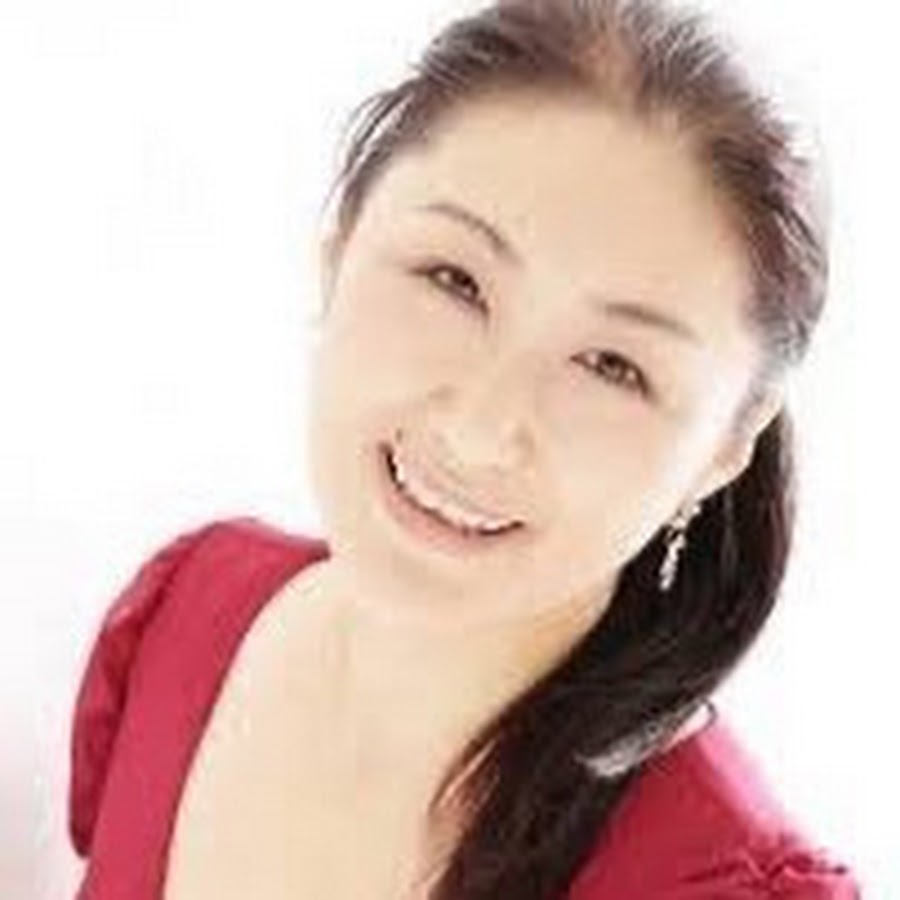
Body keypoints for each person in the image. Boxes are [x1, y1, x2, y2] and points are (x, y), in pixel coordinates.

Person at [68, 0, 861, 897]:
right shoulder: (185, 615)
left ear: (726, 449)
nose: (480, 430)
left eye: (613, 367)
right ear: (340, 247)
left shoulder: (712, 880)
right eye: (455, 280)